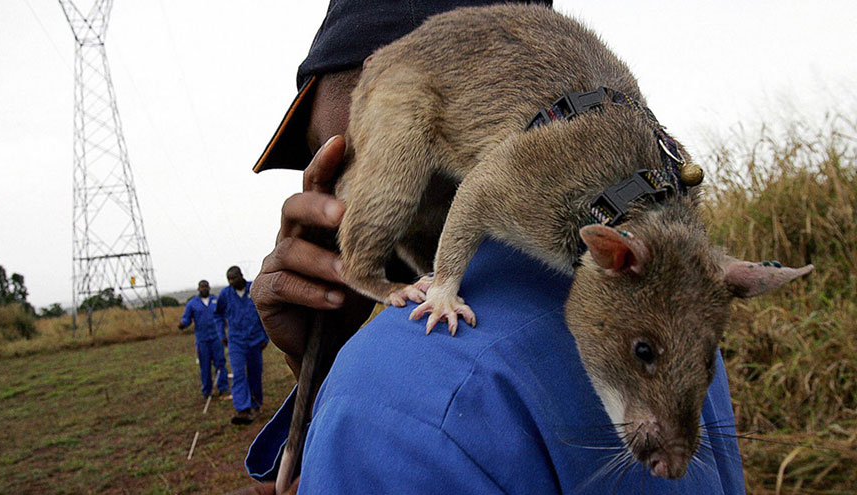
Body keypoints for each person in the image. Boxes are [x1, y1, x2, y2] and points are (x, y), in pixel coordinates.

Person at [236, 1, 747, 494]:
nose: (324, 185)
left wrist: (352, 378)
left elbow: (397, 427)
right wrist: (328, 363)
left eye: (337, 150)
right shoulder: (683, 313)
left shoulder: (393, 393)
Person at [216, 266, 270, 425]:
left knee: (255, 373)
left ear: (241, 276)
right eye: (229, 279)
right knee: (239, 373)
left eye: (234, 278)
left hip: (255, 340)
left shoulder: (254, 289)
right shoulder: (225, 294)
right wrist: (221, 334)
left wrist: (265, 337)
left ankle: (256, 404)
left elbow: (266, 312)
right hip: (236, 342)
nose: (231, 282)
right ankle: (243, 410)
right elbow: (218, 315)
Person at [177, 280, 229, 399]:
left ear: (209, 288)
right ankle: (207, 390)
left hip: (216, 338)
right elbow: (186, 318)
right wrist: (182, 324)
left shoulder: (216, 301)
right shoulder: (192, 304)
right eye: (202, 287)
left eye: (206, 286)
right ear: (198, 289)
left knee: (220, 363)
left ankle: (223, 388)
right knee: (204, 366)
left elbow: (224, 315)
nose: (204, 289)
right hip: (202, 339)